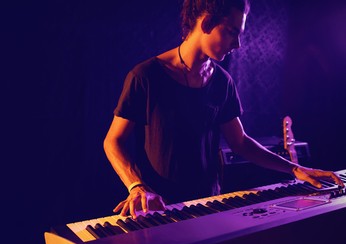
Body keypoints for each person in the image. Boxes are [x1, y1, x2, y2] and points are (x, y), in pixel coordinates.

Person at [103, 0, 344, 218]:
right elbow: (113, 142)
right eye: (232, 33)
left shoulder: (222, 81)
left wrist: (296, 169)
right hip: (158, 209)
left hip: (209, 205)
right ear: (206, 23)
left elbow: (240, 142)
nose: (238, 44)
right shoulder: (145, 76)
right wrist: (136, 186)